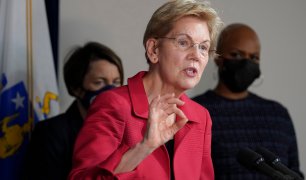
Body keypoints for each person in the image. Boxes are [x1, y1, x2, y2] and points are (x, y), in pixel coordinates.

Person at [68, 0, 222, 179]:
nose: (196, 55)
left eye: (203, 47)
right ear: (153, 50)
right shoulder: (114, 105)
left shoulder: (200, 117)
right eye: (183, 42)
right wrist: (145, 146)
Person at [193, 23, 304, 179]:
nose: (246, 63)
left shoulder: (278, 115)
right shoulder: (195, 111)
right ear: (218, 58)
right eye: (236, 55)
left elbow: (294, 171)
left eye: (254, 57)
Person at [22, 42, 124, 180]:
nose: (111, 91)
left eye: (116, 82)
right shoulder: (51, 133)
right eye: (99, 82)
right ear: (76, 88)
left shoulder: (128, 131)